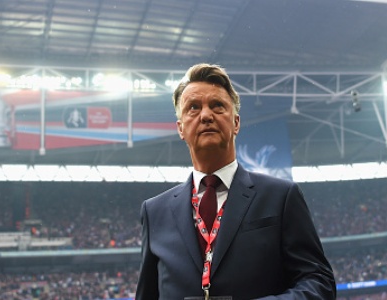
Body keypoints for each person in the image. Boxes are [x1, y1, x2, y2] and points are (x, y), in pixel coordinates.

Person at [135, 63, 336, 299]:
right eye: (193, 107)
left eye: (217, 106)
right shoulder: (154, 211)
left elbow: (319, 282)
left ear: (236, 123)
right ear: (180, 128)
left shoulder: (281, 197)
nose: (206, 115)